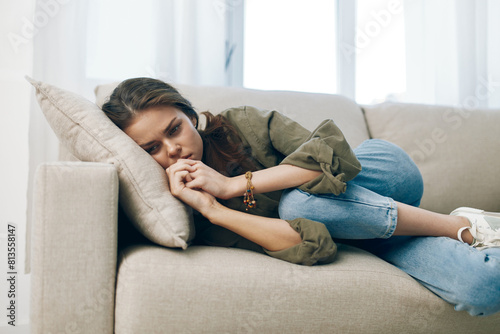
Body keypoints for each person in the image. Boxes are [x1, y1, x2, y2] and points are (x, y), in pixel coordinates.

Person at [102, 77, 500, 316]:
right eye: (151, 148)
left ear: (190, 116)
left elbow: (329, 155)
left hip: (380, 176)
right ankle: (470, 229)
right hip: (370, 235)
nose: (172, 150)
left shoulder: (241, 124)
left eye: (174, 129)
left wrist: (234, 185)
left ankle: (459, 224)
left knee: (301, 201)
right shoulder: (194, 214)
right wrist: (215, 209)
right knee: (484, 287)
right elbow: (311, 243)